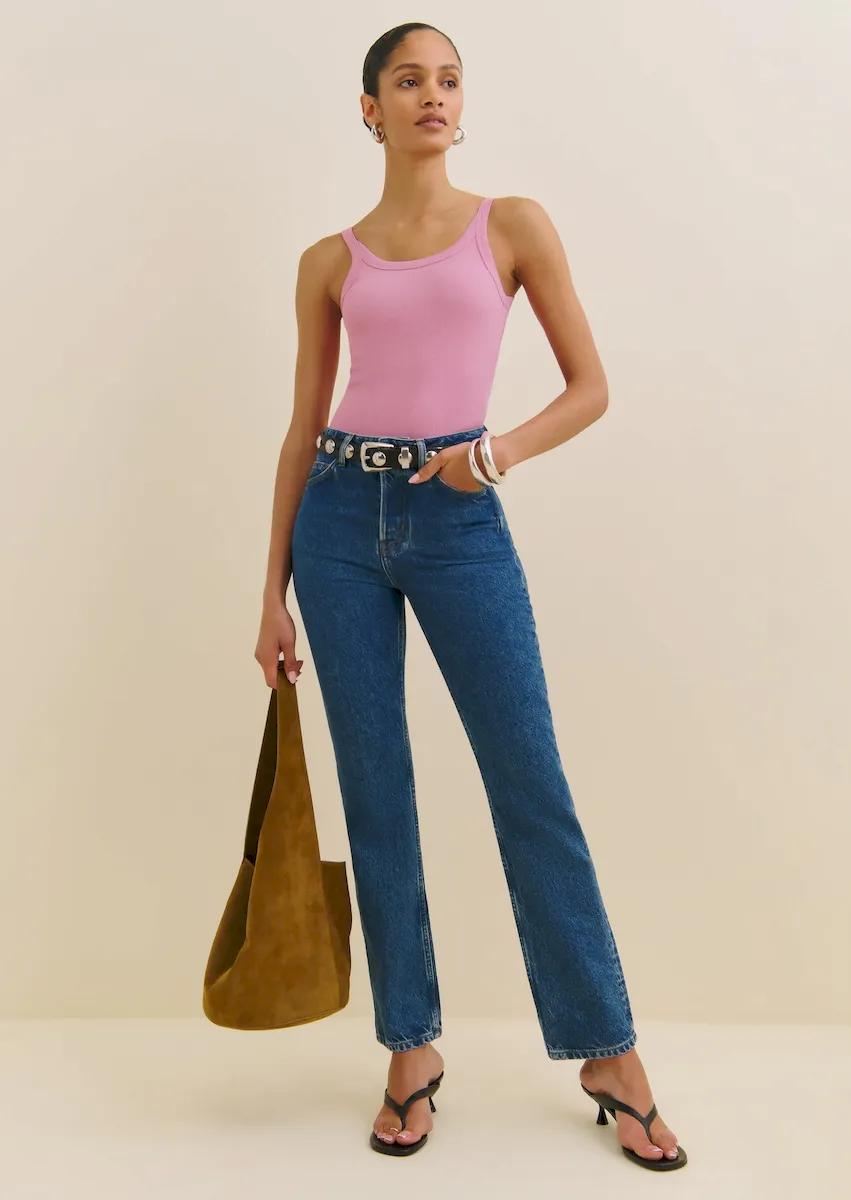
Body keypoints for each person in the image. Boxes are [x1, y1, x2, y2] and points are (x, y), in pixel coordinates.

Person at [254, 22, 687, 1170]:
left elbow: (590, 387)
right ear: (370, 108)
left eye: (448, 80)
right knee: (376, 790)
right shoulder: (329, 261)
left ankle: (608, 1052)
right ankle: (410, 1048)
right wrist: (271, 592)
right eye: (408, 81)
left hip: (458, 519)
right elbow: (301, 429)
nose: (432, 96)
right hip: (337, 524)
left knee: (528, 781)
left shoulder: (512, 225)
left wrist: (492, 458)